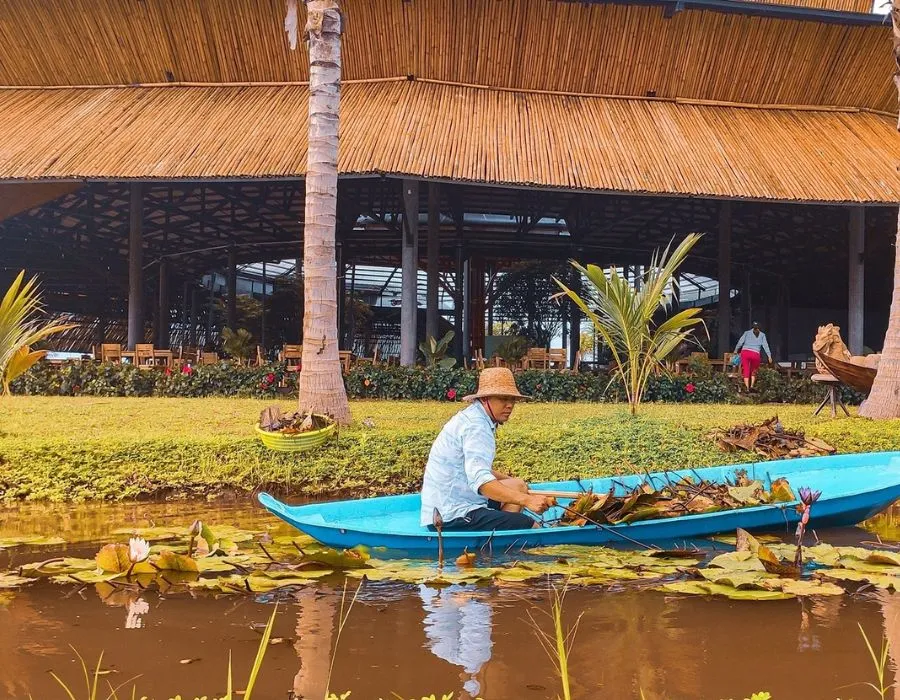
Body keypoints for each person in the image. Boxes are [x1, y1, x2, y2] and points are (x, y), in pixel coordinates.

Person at [420, 367, 556, 531]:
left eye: (512, 400)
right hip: (452, 515)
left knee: (518, 485)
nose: (509, 406)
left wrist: (523, 490)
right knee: (531, 526)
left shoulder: (474, 417)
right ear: (485, 399)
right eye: (502, 399)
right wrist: (527, 500)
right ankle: (501, 548)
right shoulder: (477, 427)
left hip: (451, 502)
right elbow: (482, 483)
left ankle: (500, 531)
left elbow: (476, 469)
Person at [734, 321, 773, 392]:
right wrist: (769, 356)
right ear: (760, 327)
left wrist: (736, 350)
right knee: (754, 370)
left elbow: (740, 342)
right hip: (755, 354)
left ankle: (747, 388)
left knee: (746, 369)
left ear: (752, 327)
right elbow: (765, 346)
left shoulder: (746, 333)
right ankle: (751, 385)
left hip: (745, 352)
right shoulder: (762, 335)